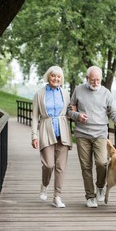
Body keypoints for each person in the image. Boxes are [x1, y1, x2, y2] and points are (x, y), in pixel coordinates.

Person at [68, 65, 116, 208]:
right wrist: (77, 116)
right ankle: (90, 196)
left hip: (100, 133)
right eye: (92, 80)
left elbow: (114, 112)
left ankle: (100, 186)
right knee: (86, 166)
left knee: (101, 163)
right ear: (87, 78)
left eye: (98, 80)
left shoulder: (106, 93)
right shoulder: (78, 90)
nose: (95, 83)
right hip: (82, 134)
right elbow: (70, 110)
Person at [31, 65, 72, 208]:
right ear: (48, 77)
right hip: (46, 130)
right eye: (53, 76)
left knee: (61, 166)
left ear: (61, 79)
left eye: (59, 77)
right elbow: (35, 117)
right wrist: (34, 136)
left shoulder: (65, 93)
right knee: (49, 164)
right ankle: (44, 184)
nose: (56, 79)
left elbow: (69, 111)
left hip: (63, 132)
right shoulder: (39, 94)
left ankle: (57, 197)